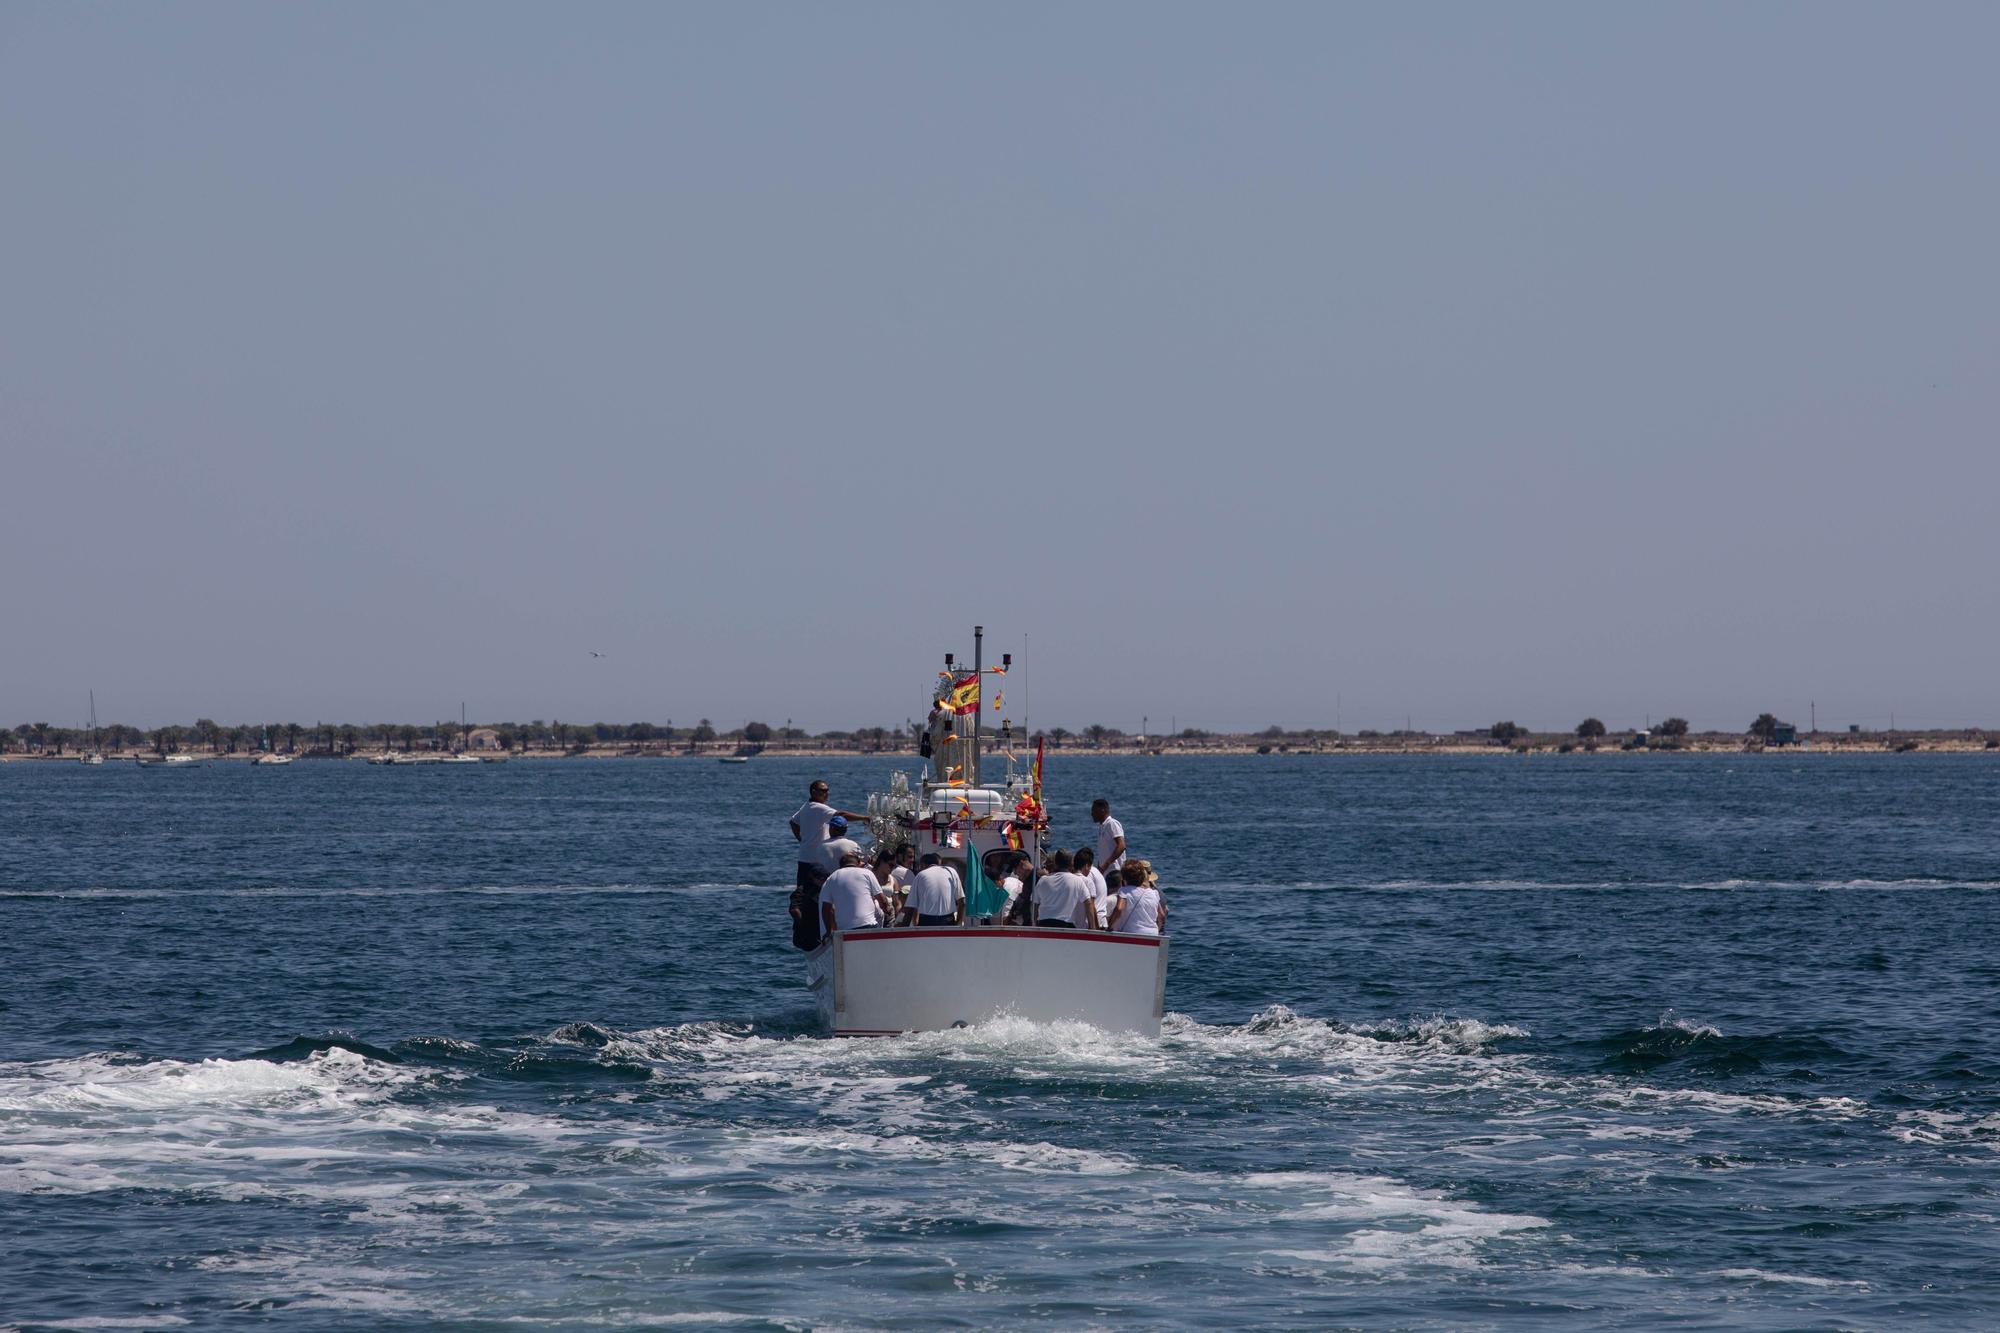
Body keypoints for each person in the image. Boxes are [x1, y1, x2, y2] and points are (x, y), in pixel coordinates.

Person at [790, 781, 868, 946]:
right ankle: (824, 931)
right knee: (823, 897)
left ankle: (805, 932)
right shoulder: (819, 808)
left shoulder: (806, 806)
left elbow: (793, 822)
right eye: (823, 791)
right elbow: (840, 815)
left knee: (804, 896)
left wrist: (802, 840)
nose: (827, 794)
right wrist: (865, 818)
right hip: (814, 862)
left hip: (804, 859)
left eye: (828, 791)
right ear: (813, 791)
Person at [819, 852, 888, 934]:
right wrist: (887, 910)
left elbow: (826, 909)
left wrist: (829, 932)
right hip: (869, 925)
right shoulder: (867, 873)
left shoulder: (832, 878)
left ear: (840, 866)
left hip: (845, 931)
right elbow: (882, 900)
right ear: (858, 863)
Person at [1031, 850, 1098, 929]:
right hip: (1066, 926)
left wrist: (1034, 924)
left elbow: (1034, 904)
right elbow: (1088, 903)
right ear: (1071, 863)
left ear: (1055, 863)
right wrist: (1092, 927)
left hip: (1044, 924)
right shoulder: (1077, 881)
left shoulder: (1043, 880)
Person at [902, 853, 965, 926]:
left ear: (923, 865)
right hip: (948, 921)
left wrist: (916, 925)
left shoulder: (920, 875)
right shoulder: (951, 872)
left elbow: (913, 906)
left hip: (927, 921)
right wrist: (958, 922)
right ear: (939, 863)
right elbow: (961, 902)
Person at [1110, 861, 1165, 935]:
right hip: (1153, 933)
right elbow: (1161, 916)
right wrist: (1156, 931)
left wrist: (1110, 926)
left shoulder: (1124, 891)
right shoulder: (1154, 893)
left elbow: (1119, 909)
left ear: (1124, 878)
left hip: (1132, 933)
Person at [1072, 847, 1111, 928]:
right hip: (1098, 920)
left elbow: (1092, 906)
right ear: (1087, 865)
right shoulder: (1092, 875)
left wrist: (1094, 928)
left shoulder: (1086, 877)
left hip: (1094, 921)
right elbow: (1091, 905)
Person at [995, 853, 1032, 924]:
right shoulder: (1024, 883)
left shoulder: (1010, 886)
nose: (1014, 872)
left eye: (1015, 868)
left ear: (1022, 863)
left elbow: (1004, 918)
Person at [1091, 799, 1126, 873]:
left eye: (1094, 811)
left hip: (1115, 871)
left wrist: (1106, 864)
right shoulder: (1102, 826)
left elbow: (1121, 845)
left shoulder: (1112, 823)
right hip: (1106, 872)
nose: (1092, 814)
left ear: (1102, 810)